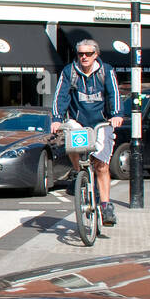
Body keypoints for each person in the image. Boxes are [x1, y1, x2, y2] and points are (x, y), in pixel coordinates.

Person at [51, 39, 124, 226]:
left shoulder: (106, 71)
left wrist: (116, 115)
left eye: (88, 54)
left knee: (101, 165)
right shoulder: (70, 71)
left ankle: (106, 205)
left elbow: (113, 93)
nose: (84, 57)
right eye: (81, 54)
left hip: (101, 122)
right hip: (79, 121)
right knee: (72, 143)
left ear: (96, 55)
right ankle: (78, 173)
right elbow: (61, 95)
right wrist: (57, 118)